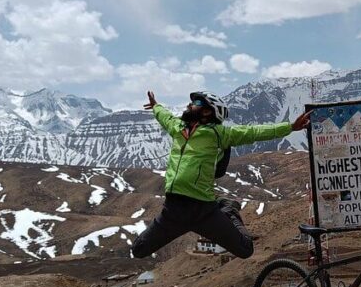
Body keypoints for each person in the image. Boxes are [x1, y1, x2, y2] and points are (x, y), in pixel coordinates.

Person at [131, 90, 311, 260]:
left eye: (197, 102)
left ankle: (229, 210)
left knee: (245, 249)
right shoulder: (178, 128)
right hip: (173, 210)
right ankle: (220, 207)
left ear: (208, 112)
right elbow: (165, 117)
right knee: (138, 250)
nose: (190, 104)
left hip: (203, 209)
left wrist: (290, 127)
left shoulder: (219, 134)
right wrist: (156, 106)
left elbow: (254, 132)